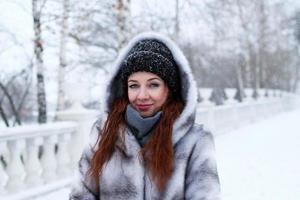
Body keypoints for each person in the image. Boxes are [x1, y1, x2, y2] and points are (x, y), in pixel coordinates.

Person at [69, 32, 221, 200]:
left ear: (170, 88)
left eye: (153, 85)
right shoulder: (104, 131)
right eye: (134, 86)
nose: (142, 95)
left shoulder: (195, 140)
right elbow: (81, 193)